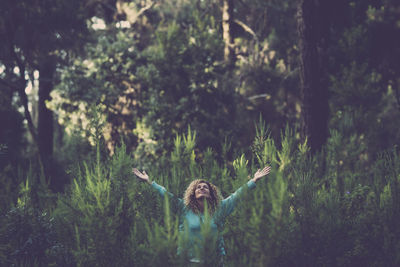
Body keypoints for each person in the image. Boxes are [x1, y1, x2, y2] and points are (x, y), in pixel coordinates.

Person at [132, 166, 271, 265]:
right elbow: (165, 194)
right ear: (193, 193)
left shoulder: (220, 209)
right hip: (187, 261)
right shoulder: (183, 208)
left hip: (214, 261)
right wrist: (149, 182)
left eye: (205, 187)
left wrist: (254, 180)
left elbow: (238, 195)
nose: (202, 188)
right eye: (198, 187)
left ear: (211, 194)